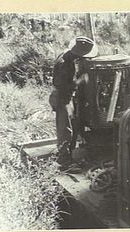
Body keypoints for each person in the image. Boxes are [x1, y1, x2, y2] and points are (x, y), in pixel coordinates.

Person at [49, 36, 98, 169]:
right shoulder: (64, 64)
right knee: (65, 128)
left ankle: (68, 154)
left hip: (65, 96)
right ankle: (63, 160)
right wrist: (80, 80)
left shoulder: (67, 56)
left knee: (72, 124)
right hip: (61, 97)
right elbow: (63, 86)